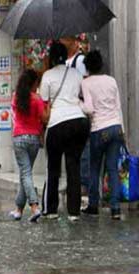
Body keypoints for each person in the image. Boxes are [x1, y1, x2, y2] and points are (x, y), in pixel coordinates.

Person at [40, 42, 90, 221]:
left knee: (53, 167)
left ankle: (51, 210)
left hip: (57, 124)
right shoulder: (76, 74)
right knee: (73, 166)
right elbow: (81, 95)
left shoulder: (47, 76)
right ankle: (74, 212)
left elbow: (44, 104)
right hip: (79, 121)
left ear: (52, 57)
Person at [80, 51, 125, 220]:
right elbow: (118, 106)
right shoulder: (111, 80)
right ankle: (115, 208)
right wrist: (123, 131)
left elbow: (90, 109)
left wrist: (79, 103)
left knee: (94, 168)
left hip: (99, 129)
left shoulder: (86, 83)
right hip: (116, 127)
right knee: (113, 169)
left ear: (87, 66)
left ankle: (93, 205)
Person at [8, 69, 49, 222]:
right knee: (26, 174)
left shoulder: (15, 97)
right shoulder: (37, 99)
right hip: (33, 139)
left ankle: (34, 206)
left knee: (25, 174)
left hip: (19, 138)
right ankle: (18, 209)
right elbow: (44, 119)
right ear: (33, 83)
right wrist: (48, 106)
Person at [60, 36, 91, 196]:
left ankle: (83, 184)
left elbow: (85, 84)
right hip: (67, 111)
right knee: (70, 150)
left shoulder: (80, 61)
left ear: (73, 41)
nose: (61, 43)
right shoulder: (64, 63)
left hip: (80, 110)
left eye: (64, 40)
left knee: (83, 149)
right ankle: (73, 182)